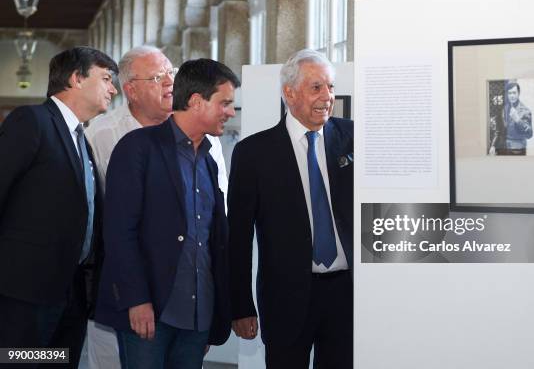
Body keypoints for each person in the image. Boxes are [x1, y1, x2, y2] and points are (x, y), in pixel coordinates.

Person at [85, 46, 229, 369]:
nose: (169, 82)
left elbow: (216, 218)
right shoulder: (103, 135)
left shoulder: (206, 142)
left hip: (190, 297)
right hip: (130, 291)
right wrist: (135, 295)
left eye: (172, 73)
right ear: (130, 90)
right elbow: (112, 224)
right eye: (157, 77)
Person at [228, 49, 354, 368]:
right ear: (289, 93)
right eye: (316, 87)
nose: (327, 97)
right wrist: (241, 305)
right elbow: (238, 238)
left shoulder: (354, 138)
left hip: (346, 296)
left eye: (330, 87)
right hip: (285, 299)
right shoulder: (254, 154)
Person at [0, 47, 118, 368]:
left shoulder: (82, 138)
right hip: (25, 295)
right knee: (19, 363)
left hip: (71, 294)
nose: (113, 89)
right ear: (76, 78)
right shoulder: (32, 121)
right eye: (106, 78)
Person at [501, 81, 533, 155]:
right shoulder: (505, 108)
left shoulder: (525, 110)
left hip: (517, 147)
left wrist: (518, 120)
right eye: (509, 93)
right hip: (505, 146)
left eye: (514, 93)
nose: (512, 95)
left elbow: (529, 134)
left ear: (518, 93)